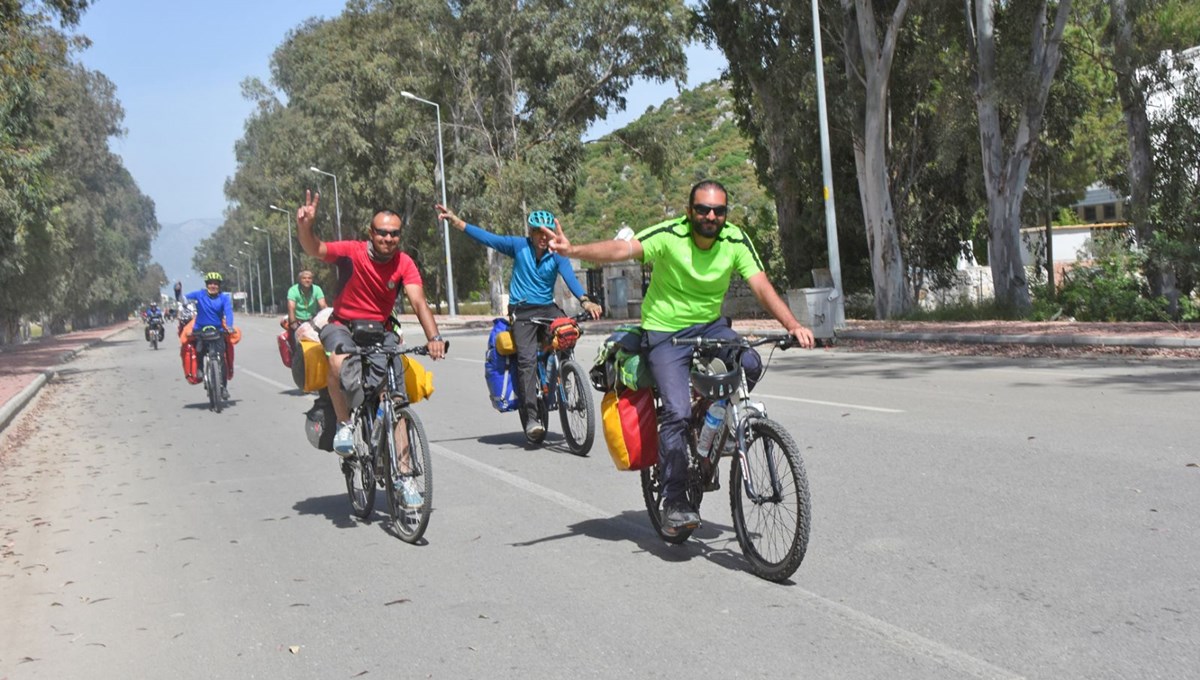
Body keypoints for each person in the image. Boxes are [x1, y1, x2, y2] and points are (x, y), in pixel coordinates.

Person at [544, 179, 815, 533]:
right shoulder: (671, 234)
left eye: (718, 211)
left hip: (710, 327)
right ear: (690, 212)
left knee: (749, 362)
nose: (711, 216)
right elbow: (621, 249)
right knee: (677, 411)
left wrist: (793, 324)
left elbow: (762, 286)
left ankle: (711, 428)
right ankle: (674, 500)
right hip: (665, 333)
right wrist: (574, 250)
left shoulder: (734, 239)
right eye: (703, 209)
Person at [296, 191, 446, 505]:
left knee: (396, 403)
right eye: (382, 232)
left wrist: (433, 337)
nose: (388, 239)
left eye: (394, 234)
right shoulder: (351, 252)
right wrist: (306, 227)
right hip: (344, 327)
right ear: (371, 233)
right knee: (339, 361)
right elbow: (316, 248)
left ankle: (404, 479)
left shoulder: (404, 263)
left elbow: (418, 301)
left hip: (381, 332)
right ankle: (346, 425)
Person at [436, 204, 602, 442]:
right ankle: (533, 417)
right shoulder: (518, 246)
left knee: (567, 334)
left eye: (548, 234)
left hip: (547, 307)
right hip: (522, 310)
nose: (544, 238)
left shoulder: (557, 254)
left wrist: (586, 301)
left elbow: (570, 278)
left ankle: (567, 374)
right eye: (539, 233)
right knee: (527, 361)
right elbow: (488, 238)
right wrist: (456, 221)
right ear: (531, 233)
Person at [185, 272, 236, 400]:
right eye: (210, 283)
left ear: (219, 286)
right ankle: (200, 369)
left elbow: (228, 313)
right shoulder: (199, 295)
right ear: (206, 285)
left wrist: (229, 326)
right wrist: (177, 292)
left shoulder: (224, 298)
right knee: (199, 351)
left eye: (216, 284)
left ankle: (223, 387)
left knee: (222, 360)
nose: (213, 286)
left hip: (218, 331)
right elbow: (184, 298)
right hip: (200, 331)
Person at [285, 269, 327, 335]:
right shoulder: (293, 290)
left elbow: (323, 305)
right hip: (297, 320)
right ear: (300, 280)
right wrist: (293, 323)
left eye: (309, 278)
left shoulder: (317, 289)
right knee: (296, 340)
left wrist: (327, 318)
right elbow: (291, 307)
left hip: (312, 320)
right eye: (304, 278)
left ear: (312, 280)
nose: (307, 280)